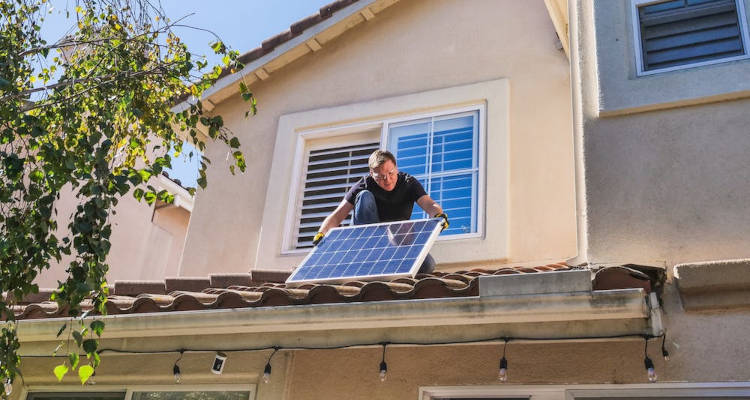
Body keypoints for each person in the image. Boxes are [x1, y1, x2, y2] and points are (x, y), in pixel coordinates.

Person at [311, 150, 449, 273]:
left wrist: (438, 215)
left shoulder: (408, 183)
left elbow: (429, 204)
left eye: (391, 173)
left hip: (396, 240)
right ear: (372, 174)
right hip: (368, 239)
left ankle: (389, 266)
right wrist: (321, 234)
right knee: (364, 196)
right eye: (381, 177)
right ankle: (366, 251)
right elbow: (337, 216)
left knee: (427, 265)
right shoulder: (364, 184)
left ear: (396, 168)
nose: (387, 180)